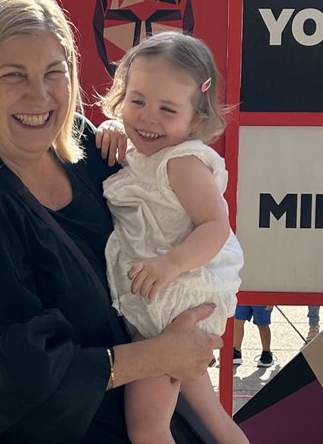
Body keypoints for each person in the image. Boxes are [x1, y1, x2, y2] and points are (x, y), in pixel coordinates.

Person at [0, 0, 221, 444]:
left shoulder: (83, 149)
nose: (39, 96)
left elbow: (167, 194)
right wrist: (161, 356)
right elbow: (10, 379)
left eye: (53, 73)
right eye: (13, 75)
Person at [98, 32, 248, 444]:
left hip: (170, 302)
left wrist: (171, 264)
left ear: (195, 119)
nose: (148, 118)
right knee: (211, 417)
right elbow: (130, 131)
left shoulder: (182, 164)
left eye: (167, 109)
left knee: (147, 429)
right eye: (138, 101)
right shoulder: (142, 149)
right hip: (161, 296)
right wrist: (113, 126)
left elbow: (216, 226)